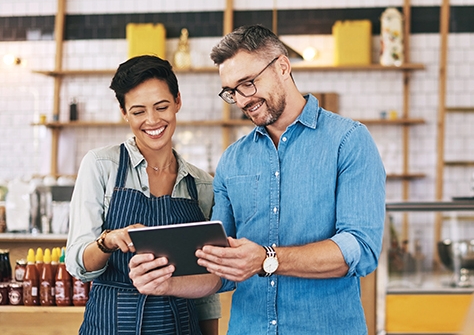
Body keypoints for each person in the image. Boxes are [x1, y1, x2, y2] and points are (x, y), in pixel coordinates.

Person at [129, 24, 386, 334]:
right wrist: (166, 282)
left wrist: (268, 259)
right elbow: (220, 269)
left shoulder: (348, 141)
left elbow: (360, 248)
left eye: (248, 83)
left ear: (282, 66)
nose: (241, 100)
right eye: (231, 92)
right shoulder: (232, 159)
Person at [66, 55, 221, 335]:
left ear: (178, 102)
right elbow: (78, 263)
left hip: (181, 327)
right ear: (124, 112)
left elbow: (207, 287)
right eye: (138, 111)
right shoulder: (102, 166)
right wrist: (108, 241)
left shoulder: (200, 183)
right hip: (110, 325)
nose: (152, 120)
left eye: (161, 107)